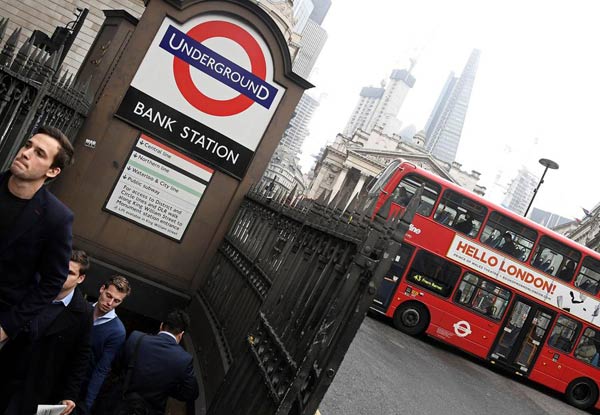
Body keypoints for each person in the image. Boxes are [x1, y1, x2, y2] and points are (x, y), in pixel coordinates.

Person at [0, 126, 74, 347]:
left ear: (52, 171)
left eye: (39, 153)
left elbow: (52, 281)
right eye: (28, 145)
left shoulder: (57, 218)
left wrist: (7, 327)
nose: (26, 153)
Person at [0, 250, 93, 415]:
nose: (63, 274)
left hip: (38, 386)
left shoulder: (83, 313)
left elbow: (80, 357)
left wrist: (69, 395)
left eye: (70, 272)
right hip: (7, 369)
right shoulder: (33, 289)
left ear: (80, 278)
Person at [109, 310, 200, 414]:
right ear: (181, 334)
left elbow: (116, 365)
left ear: (161, 326)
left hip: (120, 404)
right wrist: (169, 388)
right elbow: (191, 393)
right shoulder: (184, 359)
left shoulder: (136, 338)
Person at [82, 275, 131, 413]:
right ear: (102, 289)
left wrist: (87, 403)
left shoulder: (117, 331)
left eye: (116, 301)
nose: (110, 303)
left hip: (80, 384)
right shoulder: (82, 309)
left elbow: (102, 369)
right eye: (108, 296)